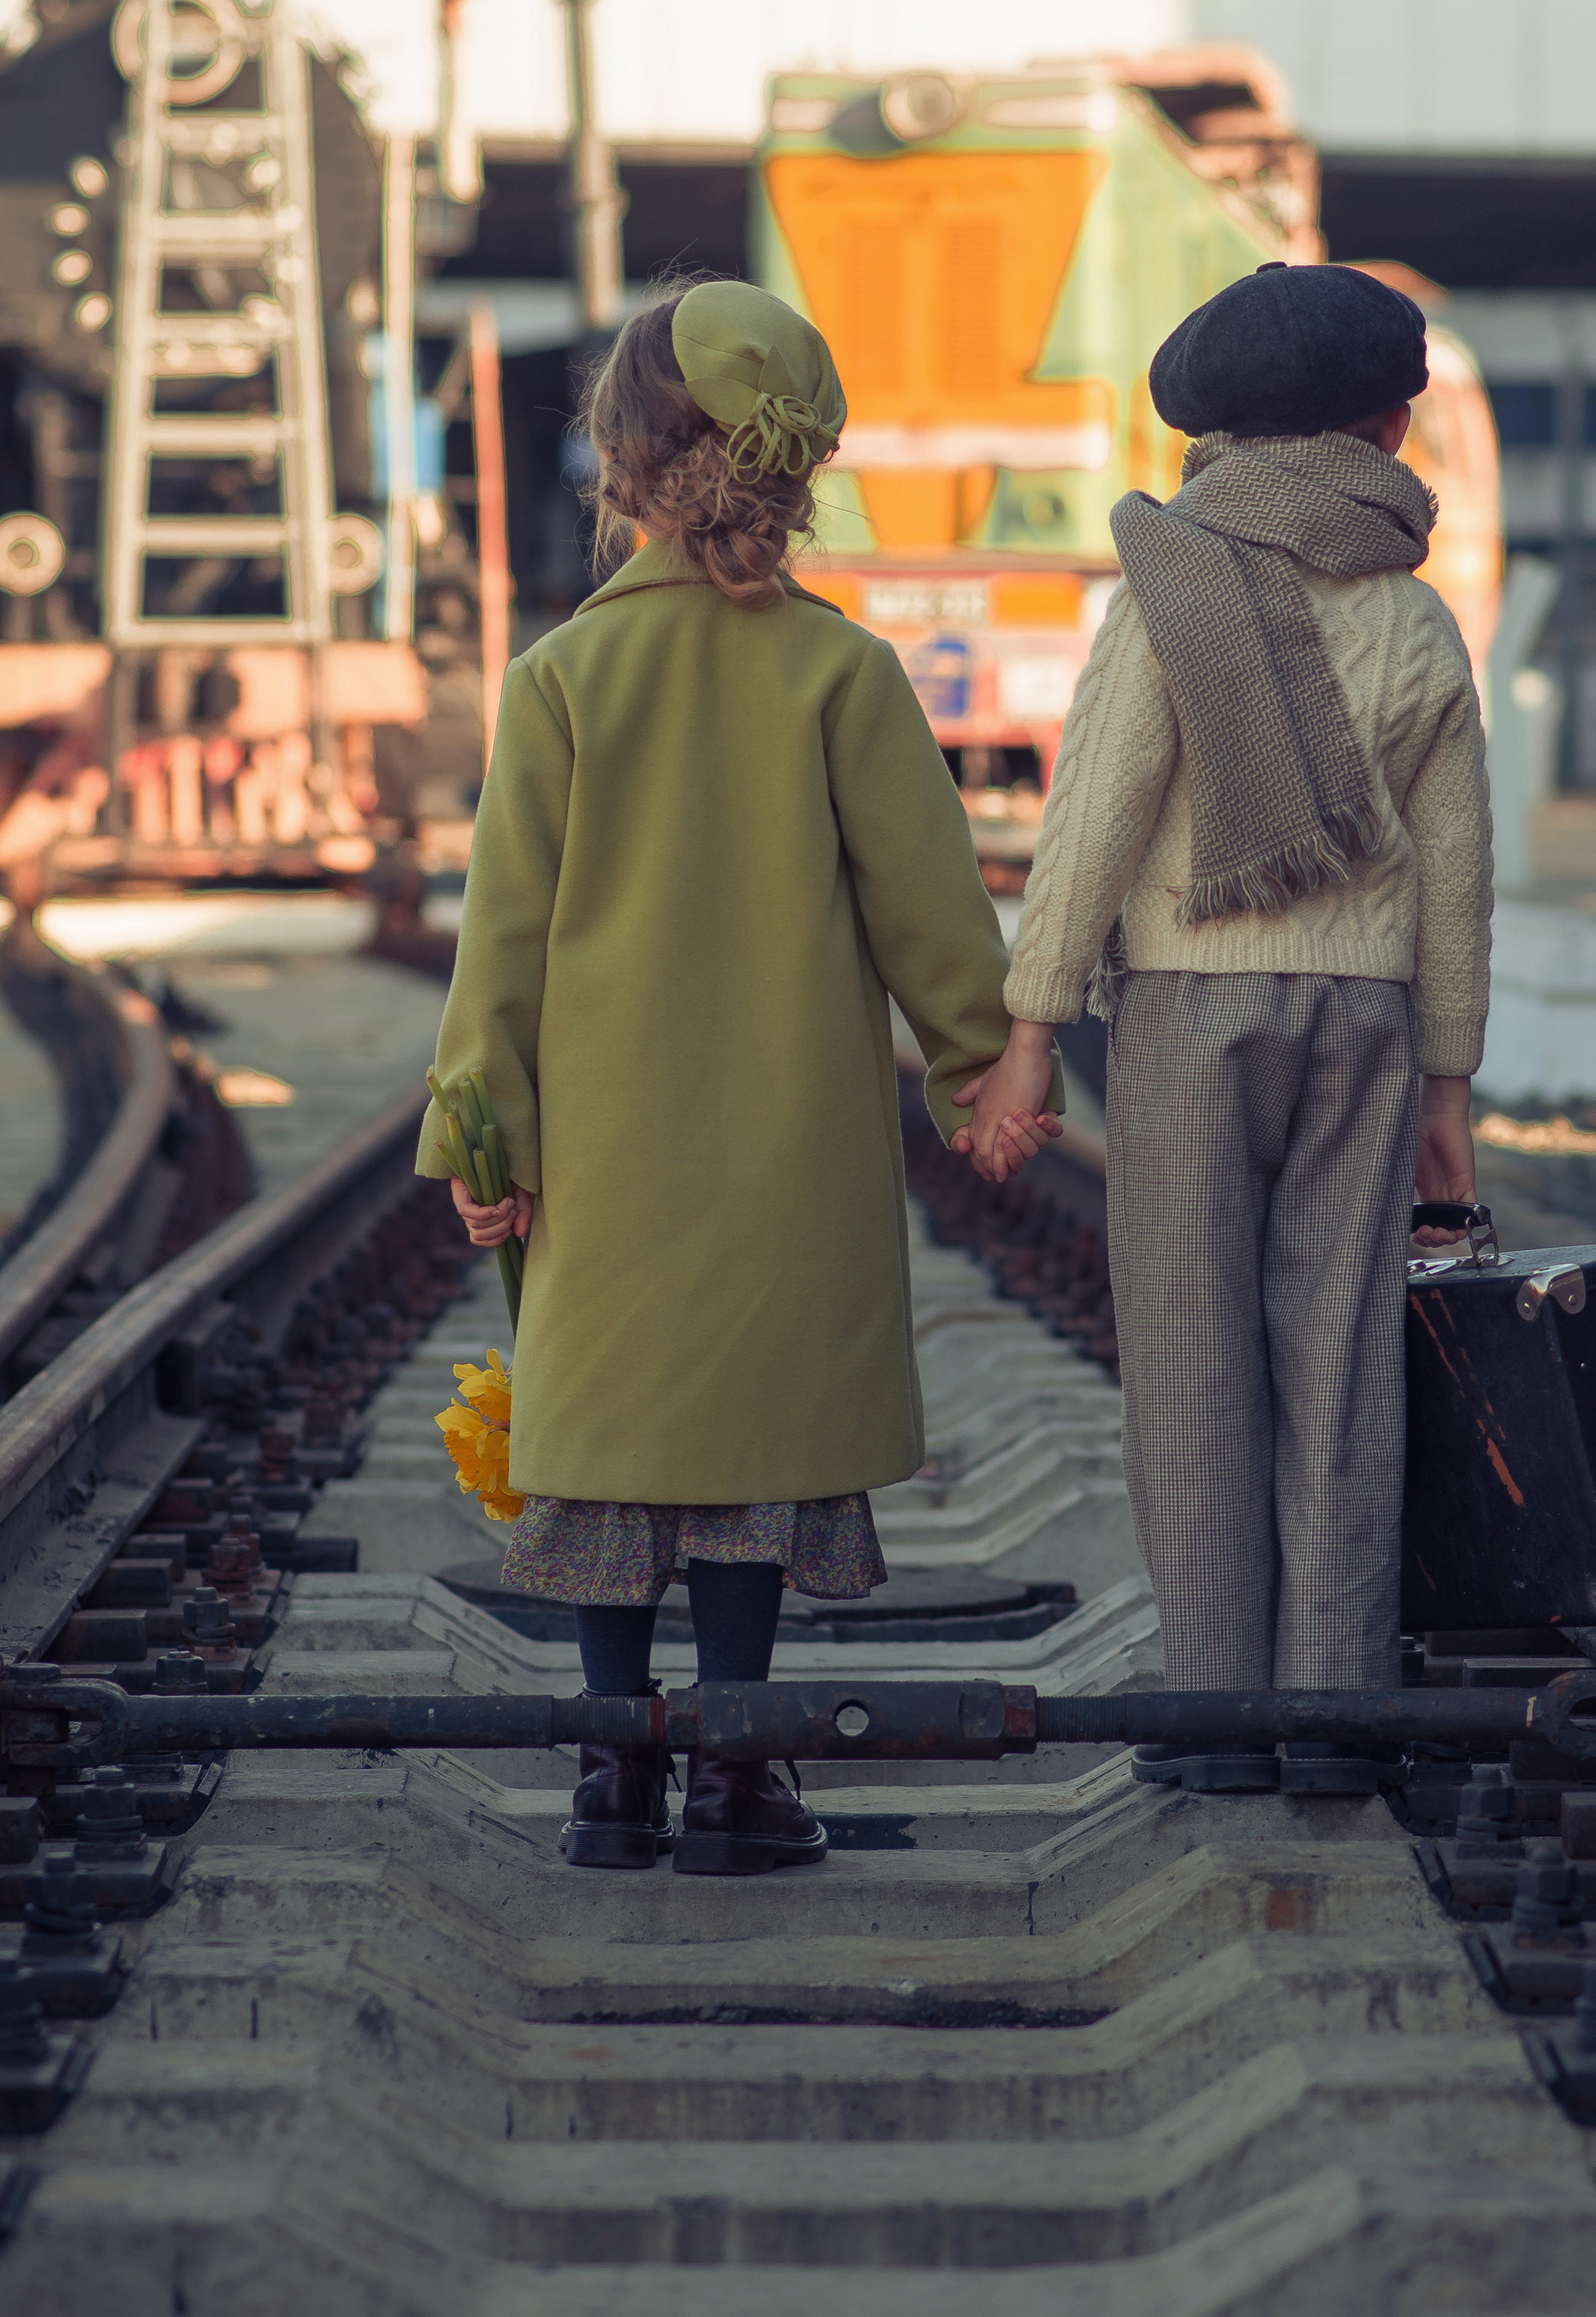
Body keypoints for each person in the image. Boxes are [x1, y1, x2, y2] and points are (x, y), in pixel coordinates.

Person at [418, 277, 1062, 1875]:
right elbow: (930, 913)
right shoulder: (838, 673)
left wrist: (483, 1140)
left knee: (613, 1445)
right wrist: (980, 1078)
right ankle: (735, 1777)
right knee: (748, 1452)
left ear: (619, 465)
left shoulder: (559, 679)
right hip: (786, 1154)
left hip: (606, 1158)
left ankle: (609, 1779)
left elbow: (499, 941)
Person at [965, 261, 1493, 1795]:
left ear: (1210, 436)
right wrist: (1448, 1083)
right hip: (1364, 1017)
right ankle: (1335, 1723)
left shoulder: (1168, 590)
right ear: (1389, 432)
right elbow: (1454, 873)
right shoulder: (1416, 622)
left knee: (1194, 1361)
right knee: (1341, 1365)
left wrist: (1029, 1026)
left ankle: (1213, 1716)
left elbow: (1094, 817)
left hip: (1191, 1012)